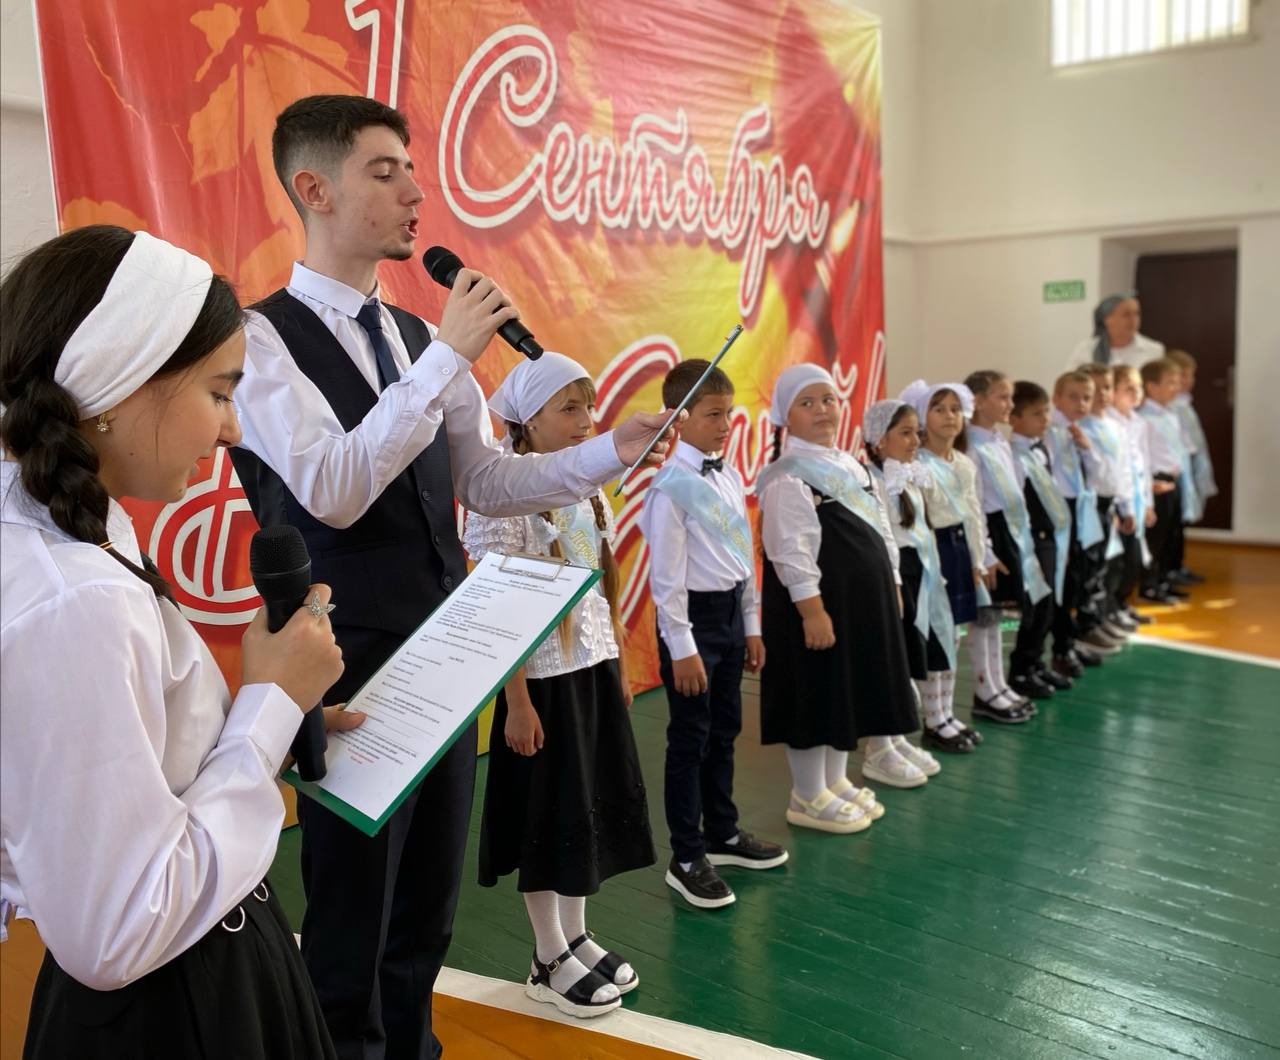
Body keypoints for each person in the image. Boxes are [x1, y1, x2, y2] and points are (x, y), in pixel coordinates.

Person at [227, 94, 675, 1059]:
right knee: (353, 911)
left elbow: (487, 481)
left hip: (444, 646)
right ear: (314, 189)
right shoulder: (260, 339)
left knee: (424, 909)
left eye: (412, 171)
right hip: (342, 658)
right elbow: (330, 490)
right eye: (384, 171)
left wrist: (610, 450)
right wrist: (444, 359)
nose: (413, 193)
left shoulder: (414, 338)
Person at [0, 225, 356, 1057]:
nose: (233, 431)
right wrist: (267, 711)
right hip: (181, 1005)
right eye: (220, 393)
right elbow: (121, 926)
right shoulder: (74, 598)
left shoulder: (59, 539)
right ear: (121, 382)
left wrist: (262, 714)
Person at [461, 353, 655, 1018]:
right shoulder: (503, 497)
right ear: (528, 420)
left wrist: (616, 666)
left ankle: (576, 936)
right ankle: (547, 957)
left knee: (584, 805)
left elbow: (603, 584)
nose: (585, 421)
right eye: (569, 408)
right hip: (541, 684)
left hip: (590, 670)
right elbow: (496, 609)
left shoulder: (588, 487)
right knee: (548, 814)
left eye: (588, 407)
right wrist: (515, 702)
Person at [639, 359, 788, 910]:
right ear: (679, 417)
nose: (726, 425)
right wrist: (682, 648)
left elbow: (742, 557)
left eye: (729, 413)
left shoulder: (728, 474)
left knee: (724, 729)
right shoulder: (669, 489)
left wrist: (751, 624)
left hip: (728, 614)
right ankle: (685, 855)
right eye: (713, 415)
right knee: (690, 738)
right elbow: (666, 579)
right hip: (692, 623)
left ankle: (721, 832)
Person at [758, 364, 926, 831]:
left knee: (842, 691)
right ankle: (807, 793)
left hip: (856, 607)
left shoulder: (850, 465)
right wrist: (812, 611)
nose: (821, 410)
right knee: (815, 694)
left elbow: (882, 528)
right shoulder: (787, 476)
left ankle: (833, 781)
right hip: (817, 608)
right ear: (785, 415)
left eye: (828, 400)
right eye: (807, 403)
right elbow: (790, 550)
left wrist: (893, 582)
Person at [909, 378, 1025, 730]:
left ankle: (947, 713)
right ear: (922, 416)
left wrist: (977, 559)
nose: (949, 416)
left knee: (955, 635)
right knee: (938, 636)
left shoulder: (963, 462)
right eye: (939, 409)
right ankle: (933, 719)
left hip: (961, 552)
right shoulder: (918, 465)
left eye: (956, 409)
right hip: (935, 553)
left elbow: (974, 515)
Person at [864, 400, 963, 754]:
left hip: (923, 570)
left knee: (931, 645)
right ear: (879, 439)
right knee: (899, 656)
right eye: (905, 433)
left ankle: (920, 727)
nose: (915, 441)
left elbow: (924, 528)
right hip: (898, 575)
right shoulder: (873, 481)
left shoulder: (909, 475)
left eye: (916, 433)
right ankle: (886, 741)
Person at [960, 370, 1044, 713]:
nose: (1010, 403)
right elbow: (975, 505)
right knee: (984, 615)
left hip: (1008, 530)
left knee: (996, 615)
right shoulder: (971, 446)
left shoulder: (998, 440)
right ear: (979, 401)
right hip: (987, 536)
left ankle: (998, 684)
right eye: (1003, 397)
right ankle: (984, 690)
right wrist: (986, 553)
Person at [1008, 381, 1075, 697]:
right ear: (1014, 418)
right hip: (1032, 538)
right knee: (1035, 607)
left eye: (1046, 412)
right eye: (1037, 413)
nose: (1045, 419)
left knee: (1048, 606)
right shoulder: (1013, 455)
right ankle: (1020, 670)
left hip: (1050, 536)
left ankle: (1036, 662)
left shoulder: (1041, 447)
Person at [1045, 371, 1114, 675]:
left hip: (1082, 511)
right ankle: (1060, 649)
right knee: (1062, 584)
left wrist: (1087, 447)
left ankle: (1069, 642)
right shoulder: (1049, 432)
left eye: (1087, 397)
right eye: (1073, 397)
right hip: (1059, 512)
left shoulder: (1081, 430)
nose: (1081, 403)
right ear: (1056, 398)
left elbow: (1099, 475)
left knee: (1077, 580)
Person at [1077, 363, 1139, 637]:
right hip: (1089, 507)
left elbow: (1123, 470)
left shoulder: (1116, 427)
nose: (1102, 394)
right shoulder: (1078, 427)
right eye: (1095, 388)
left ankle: (1102, 615)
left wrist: (1126, 507)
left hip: (1110, 505)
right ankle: (1088, 622)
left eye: (1107, 387)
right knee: (1088, 568)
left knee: (1106, 565)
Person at [1138, 358, 1194, 605]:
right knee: (1156, 537)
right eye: (1170, 382)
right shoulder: (1144, 418)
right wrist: (1150, 482)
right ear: (1151, 387)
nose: (1176, 387)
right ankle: (1149, 585)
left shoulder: (1170, 413)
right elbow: (1143, 454)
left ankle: (1163, 580)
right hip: (1157, 482)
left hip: (1173, 480)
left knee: (1171, 534)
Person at [1107, 364, 1156, 624]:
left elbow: (1144, 465)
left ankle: (1123, 602)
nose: (1136, 393)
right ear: (1113, 392)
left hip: (1137, 498)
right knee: (1119, 559)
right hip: (1119, 499)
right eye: (1129, 388)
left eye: (1139, 387)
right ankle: (1111, 607)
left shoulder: (1139, 422)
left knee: (1134, 559)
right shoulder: (1109, 422)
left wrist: (1148, 503)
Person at [1164, 347, 1215, 580]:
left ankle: (1177, 565)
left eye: (1189, 375)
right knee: (1173, 524)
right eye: (1182, 376)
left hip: (1190, 466)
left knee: (1180, 523)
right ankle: (1170, 568)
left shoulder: (1184, 404)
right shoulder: (1171, 407)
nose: (1187, 381)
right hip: (1178, 469)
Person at [1067, 293, 1165, 369]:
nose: (1133, 320)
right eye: (1126, 315)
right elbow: (1070, 382)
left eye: (1136, 314)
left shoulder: (1154, 350)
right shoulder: (1086, 349)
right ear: (1107, 319)